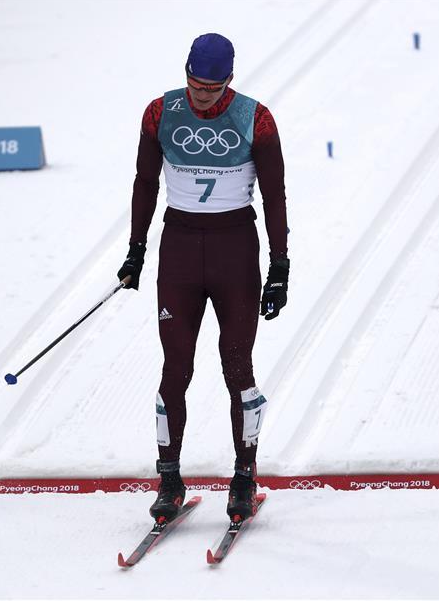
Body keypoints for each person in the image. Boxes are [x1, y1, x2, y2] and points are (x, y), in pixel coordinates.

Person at [116, 33, 289, 523]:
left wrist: (280, 265)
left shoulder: (255, 118)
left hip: (235, 250)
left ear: (229, 81)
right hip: (180, 252)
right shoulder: (159, 113)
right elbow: (144, 182)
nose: (201, 96)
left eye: (212, 89)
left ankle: (244, 477)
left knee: (238, 368)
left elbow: (274, 195)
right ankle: (168, 479)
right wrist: (135, 249)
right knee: (176, 369)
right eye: (194, 85)